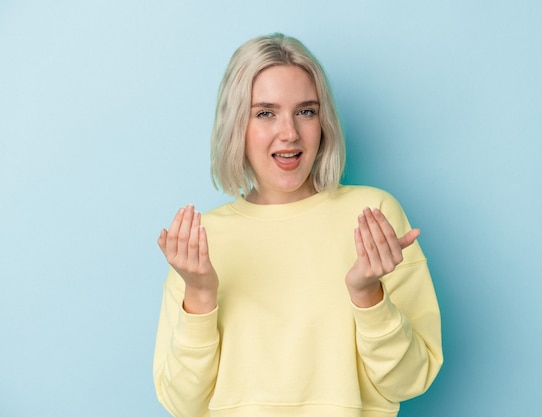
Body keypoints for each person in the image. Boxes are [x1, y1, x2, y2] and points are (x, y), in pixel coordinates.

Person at [154, 33, 443, 417]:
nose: (289, 132)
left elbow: (411, 381)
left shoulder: (372, 215)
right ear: (235, 125)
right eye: (265, 112)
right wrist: (201, 296)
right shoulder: (203, 242)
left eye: (306, 111)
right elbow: (182, 404)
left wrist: (368, 295)